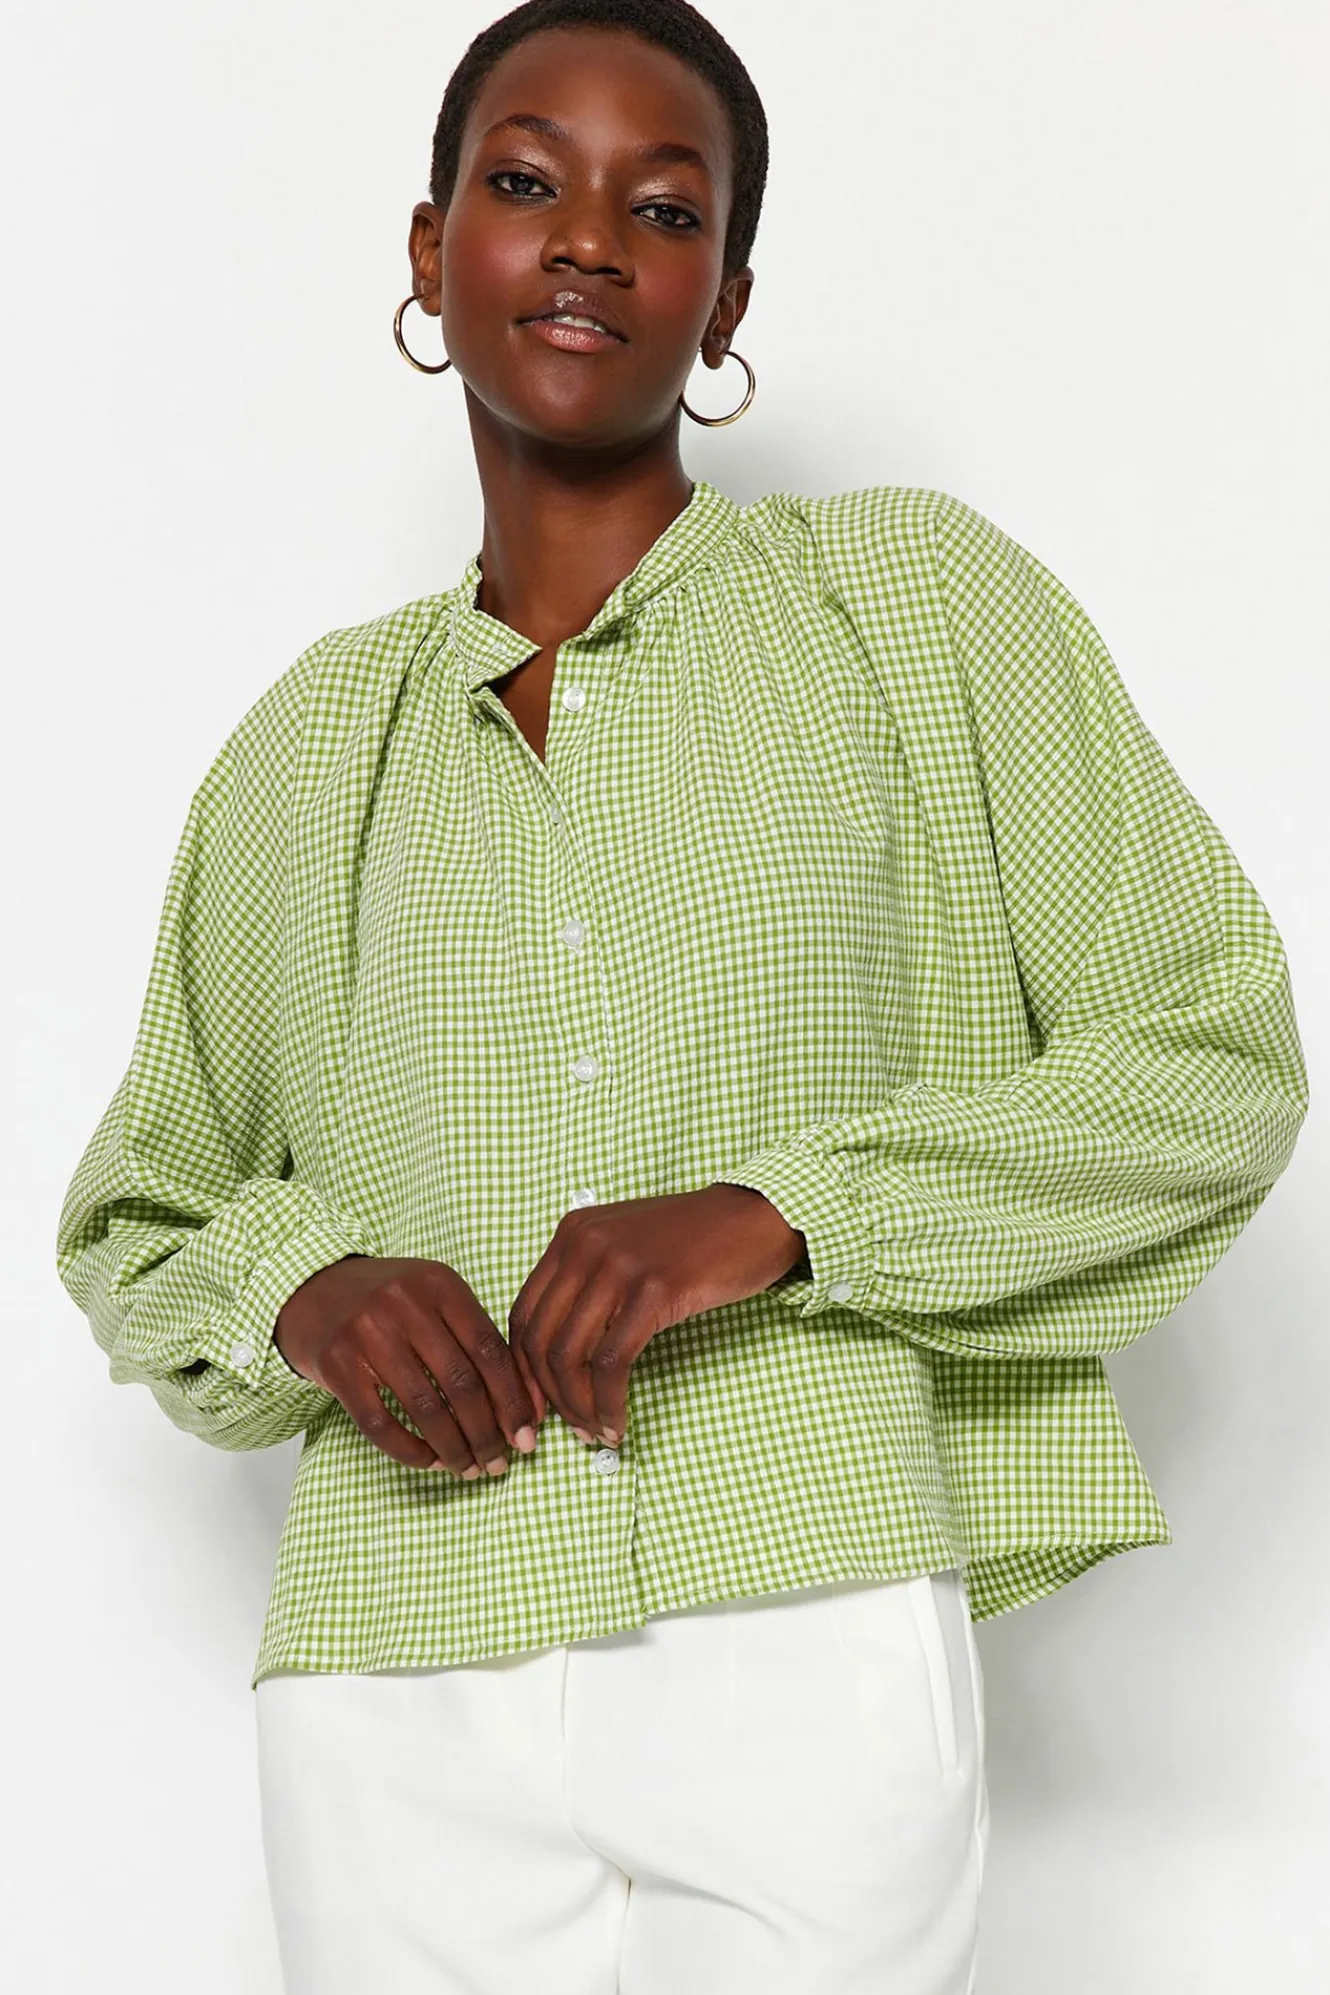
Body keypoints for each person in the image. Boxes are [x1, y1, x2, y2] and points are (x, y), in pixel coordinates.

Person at [54, 1, 1310, 1990]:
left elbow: (1209, 1053)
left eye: (661, 208)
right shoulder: (306, 745)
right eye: (524, 181)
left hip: (799, 1610)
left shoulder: (912, 607)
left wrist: (785, 1209)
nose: (585, 239)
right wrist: (302, 1283)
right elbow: (138, 1213)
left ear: (722, 300)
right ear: (429, 251)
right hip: (392, 1657)